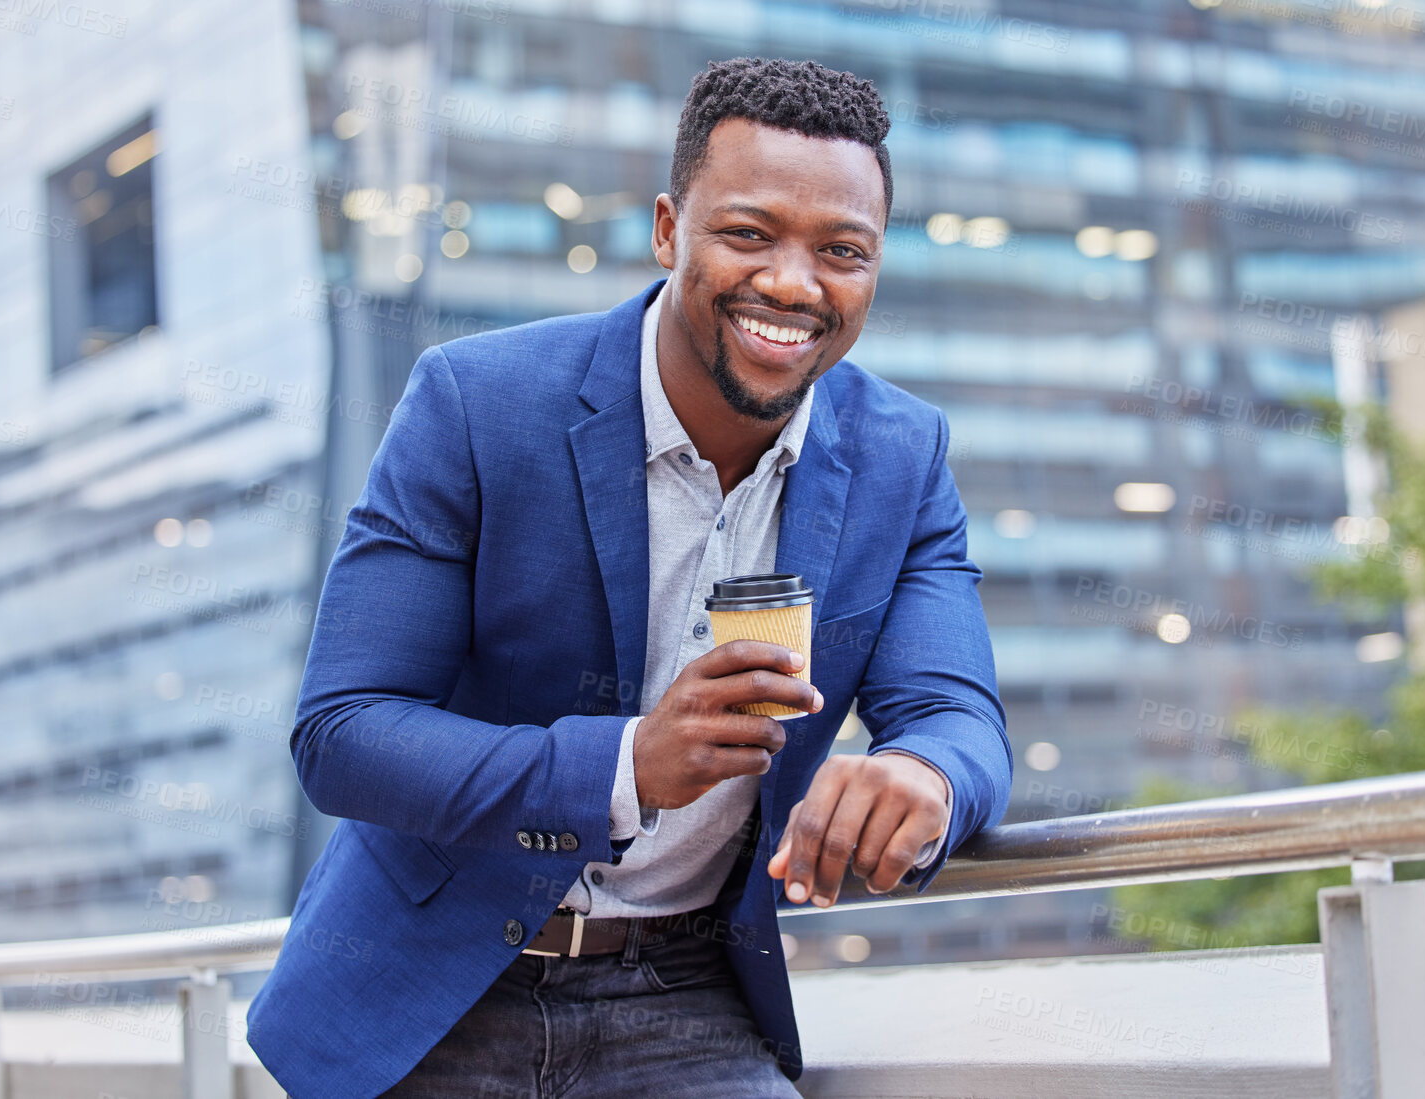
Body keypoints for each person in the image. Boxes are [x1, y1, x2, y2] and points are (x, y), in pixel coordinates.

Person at [246, 56, 1011, 1099]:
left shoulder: (901, 457)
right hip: (429, 996)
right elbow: (343, 735)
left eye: (843, 251)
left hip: (685, 995)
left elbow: (957, 715)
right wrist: (626, 767)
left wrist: (930, 776)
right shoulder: (477, 405)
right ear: (667, 230)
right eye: (749, 234)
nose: (794, 283)